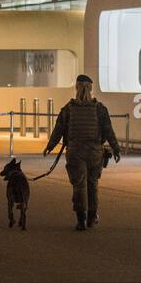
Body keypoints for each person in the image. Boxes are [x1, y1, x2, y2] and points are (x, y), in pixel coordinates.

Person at [45, 74, 122, 231]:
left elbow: (58, 130)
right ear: (91, 88)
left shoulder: (68, 109)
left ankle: (81, 220)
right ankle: (92, 218)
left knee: (79, 185)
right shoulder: (100, 109)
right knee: (92, 184)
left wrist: (50, 146)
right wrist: (116, 149)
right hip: (95, 152)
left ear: (76, 88)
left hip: (75, 152)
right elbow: (108, 131)